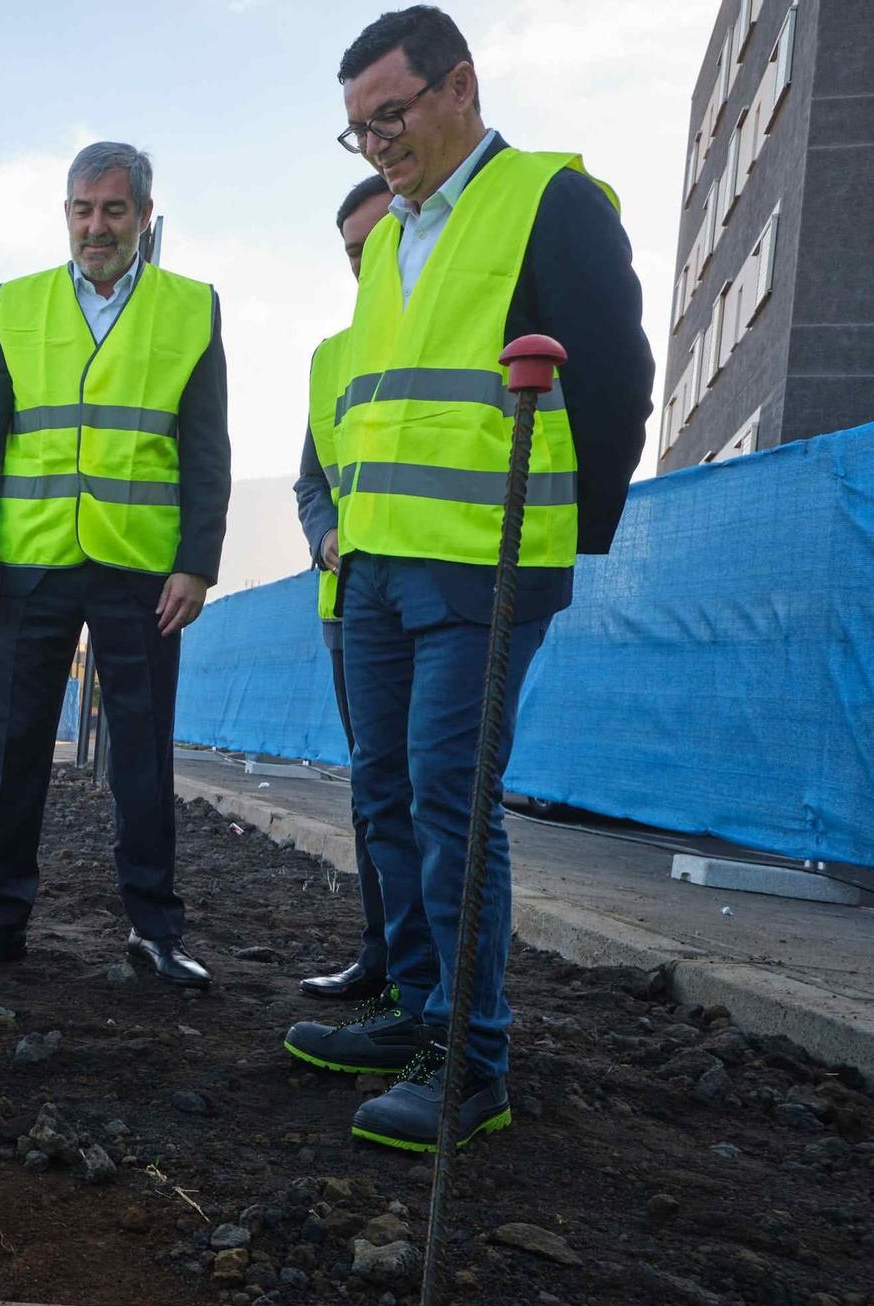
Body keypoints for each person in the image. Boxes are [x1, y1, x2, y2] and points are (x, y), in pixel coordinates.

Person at [285, 5, 653, 1151]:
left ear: (459, 87)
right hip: (385, 569)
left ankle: (468, 1061)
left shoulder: (549, 200)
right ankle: (410, 1010)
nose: (377, 145)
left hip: (482, 568)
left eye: (388, 115)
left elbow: (615, 376)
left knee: (450, 798)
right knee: (386, 792)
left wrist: (562, 535)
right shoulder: (392, 236)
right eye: (356, 130)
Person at [0, 142, 230, 987]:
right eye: (82, 209)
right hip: (27, 565)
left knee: (143, 752)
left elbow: (206, 445)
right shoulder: (18, 303)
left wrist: (196, 563)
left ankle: (154, 929)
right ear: (65, 214)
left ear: (144, 214)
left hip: (144, 572)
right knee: (18, 747)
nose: (96, 225)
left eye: (113, 209)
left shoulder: (191, 306)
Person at [289, 173, 394, 1006]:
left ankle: (437, 984)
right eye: (354, 253)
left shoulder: (461, 331)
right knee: (374, 789)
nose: (367, 263)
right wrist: (325, 532)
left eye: (381, 240)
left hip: (440, 598)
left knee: (434, 795)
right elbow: (310, 481)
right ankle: (381, 955)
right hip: (351, 607)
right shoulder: (332, 358)